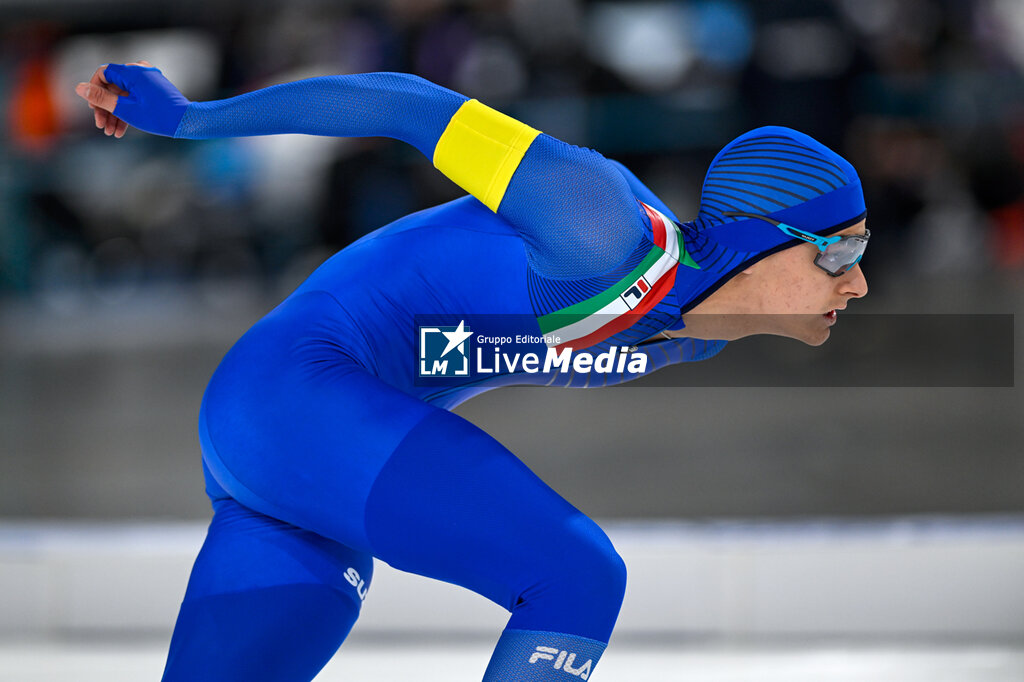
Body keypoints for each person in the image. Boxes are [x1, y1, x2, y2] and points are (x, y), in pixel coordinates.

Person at [75, 61, 869, 682]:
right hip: (298, 392)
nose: (858, 281)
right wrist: (187, 118)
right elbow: (401, 103)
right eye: (840, 250)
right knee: (575, 575)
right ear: (762, 239)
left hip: (291, 459)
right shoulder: (595, 222)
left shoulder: (697, 336)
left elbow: (461, 338)